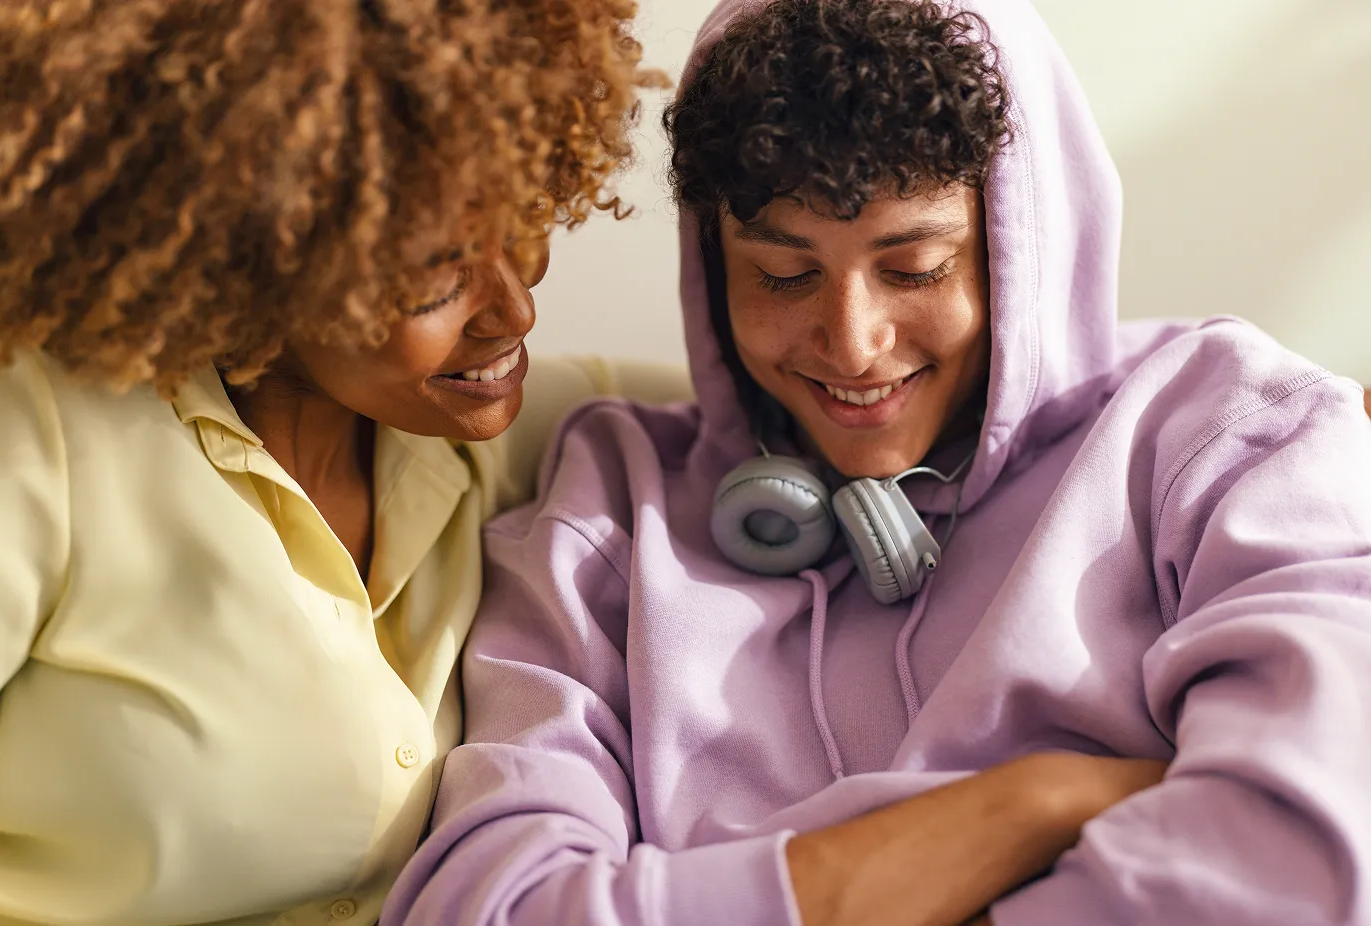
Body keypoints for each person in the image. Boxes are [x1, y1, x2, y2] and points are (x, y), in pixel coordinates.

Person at [382, 0, 1371, 924]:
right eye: (781, 273)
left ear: (1016, 245)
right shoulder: (612, 498)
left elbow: (1302, 846)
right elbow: (489, 901)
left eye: (913, 268)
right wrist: (1035, 801)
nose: (851, 344)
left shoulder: (1229, 434)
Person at [0, 1, 691, 924]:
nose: (513, 310)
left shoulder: (487, 430)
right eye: (435, 278)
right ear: (258, 262)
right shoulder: (28, 439)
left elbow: (795, 391)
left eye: (525, 219)